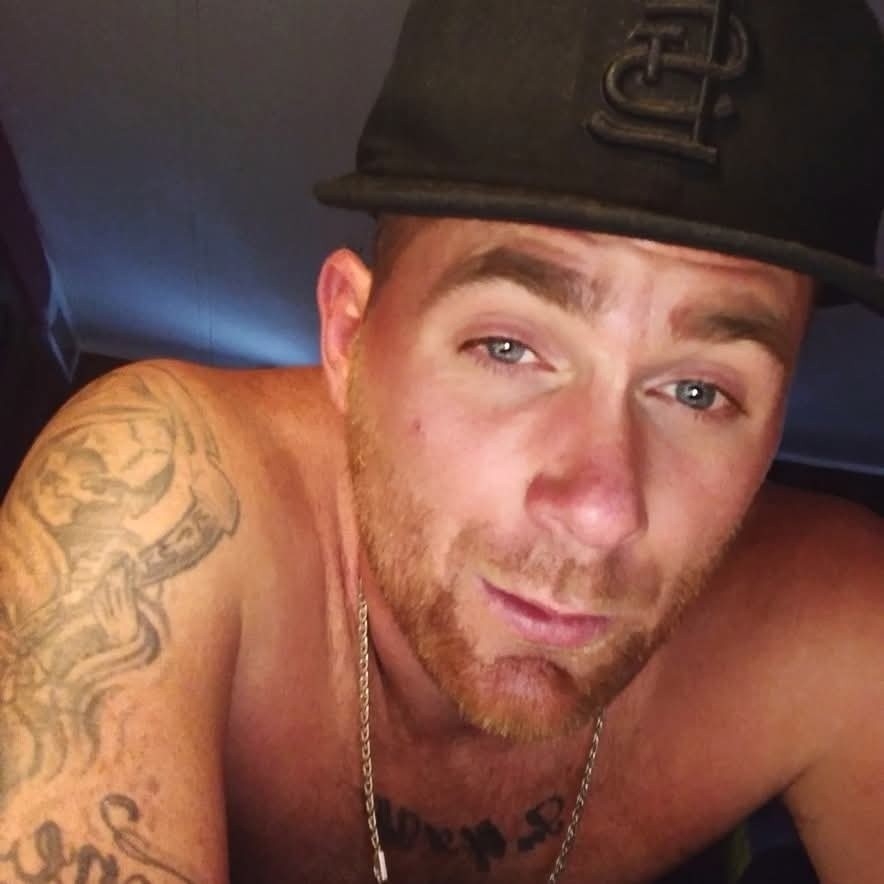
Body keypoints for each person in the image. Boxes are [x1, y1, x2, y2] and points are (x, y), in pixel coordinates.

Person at [1, 0, 882, 882]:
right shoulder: (154, 503)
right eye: (507, 348)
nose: (600, 509)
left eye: (699, 391)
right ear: (350, 338)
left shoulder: (838, 635)